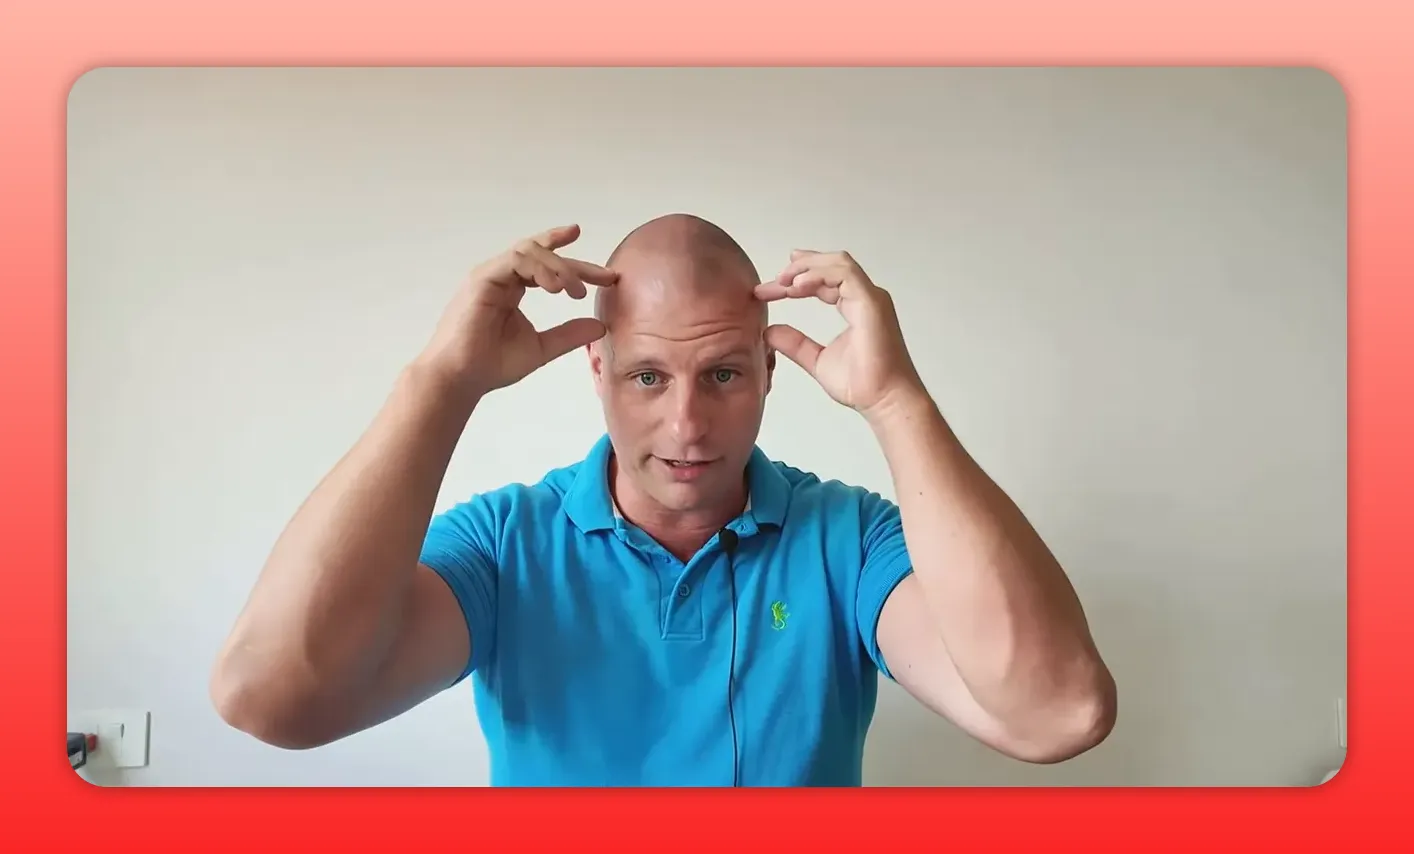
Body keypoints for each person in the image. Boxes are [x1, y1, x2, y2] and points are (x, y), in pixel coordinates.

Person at [210, 214, 1116, 786]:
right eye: (648, 375)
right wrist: (439, 384)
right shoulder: (505, 545)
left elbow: (1059, 713)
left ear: (772, 371)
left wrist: (896, 400)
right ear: (594, 370)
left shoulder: (848, 541)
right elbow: (270, 698)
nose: (687, 425)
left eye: (722, 373)